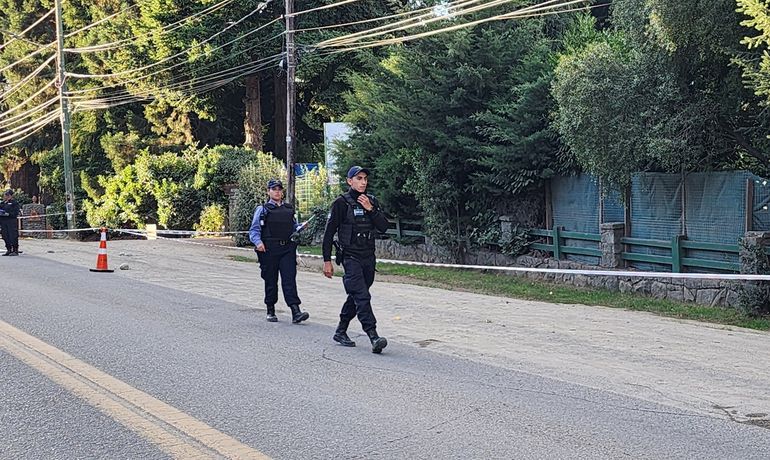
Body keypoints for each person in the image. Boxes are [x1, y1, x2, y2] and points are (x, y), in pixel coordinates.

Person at [322, 166, 390, 353]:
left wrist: (370, 209)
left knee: (357, 295)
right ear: (349, 181)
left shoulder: (371, 201)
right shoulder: (341, 203)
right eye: (359, 178)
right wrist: (327, 261)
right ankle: (373, 335)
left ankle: (341, 330)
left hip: (368, 257)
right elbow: (328, 233)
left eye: (365, 179)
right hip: (350, 257)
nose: (363, 182)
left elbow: (384, 226)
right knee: (362, 296)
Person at [249, 179, 309, 324]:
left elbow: (293, 227)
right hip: (269, 249)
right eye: (274, 189)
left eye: (279, 189)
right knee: (270, 279)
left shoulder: (288, 209)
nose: (277, 192)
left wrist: (300, 227)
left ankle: (295, 311)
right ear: (268, 192)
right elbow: (254, 230)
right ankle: (270, 309)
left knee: (289, 279)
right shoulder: (263, 209)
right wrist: (258, 243)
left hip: (287, 248)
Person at [0, 189, 20, 256]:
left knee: (13, 235)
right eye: (5, 195)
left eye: (8, 195)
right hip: (3, 221)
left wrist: (8, 214)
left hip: (11, 221)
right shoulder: (2, 203)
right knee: (5, 235)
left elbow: (16, 212)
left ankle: (15, 250)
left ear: (11, 196)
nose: (6, 196)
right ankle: (8, 249)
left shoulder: (14, 203)